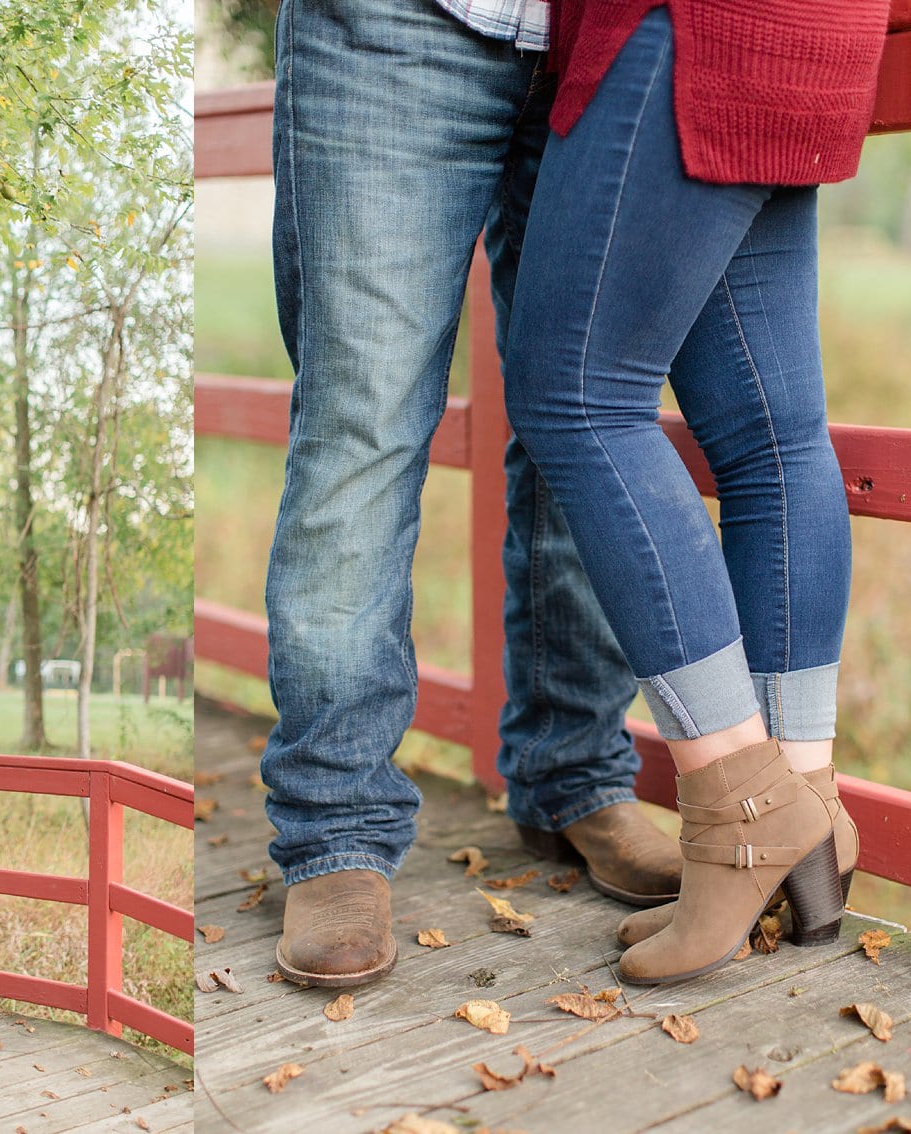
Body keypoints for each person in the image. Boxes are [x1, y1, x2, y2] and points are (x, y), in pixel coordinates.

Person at [262, 0, 683, 989]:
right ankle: (335, 826)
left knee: (587, 415)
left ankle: (573, 770)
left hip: (611, 33)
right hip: (395, 25)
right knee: (361, 422)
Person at [502, 1, 885, 983]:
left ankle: (741, 817)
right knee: (771, 436)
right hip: (811, 32)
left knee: (578, 399)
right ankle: (804, 803)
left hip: (690, 27)